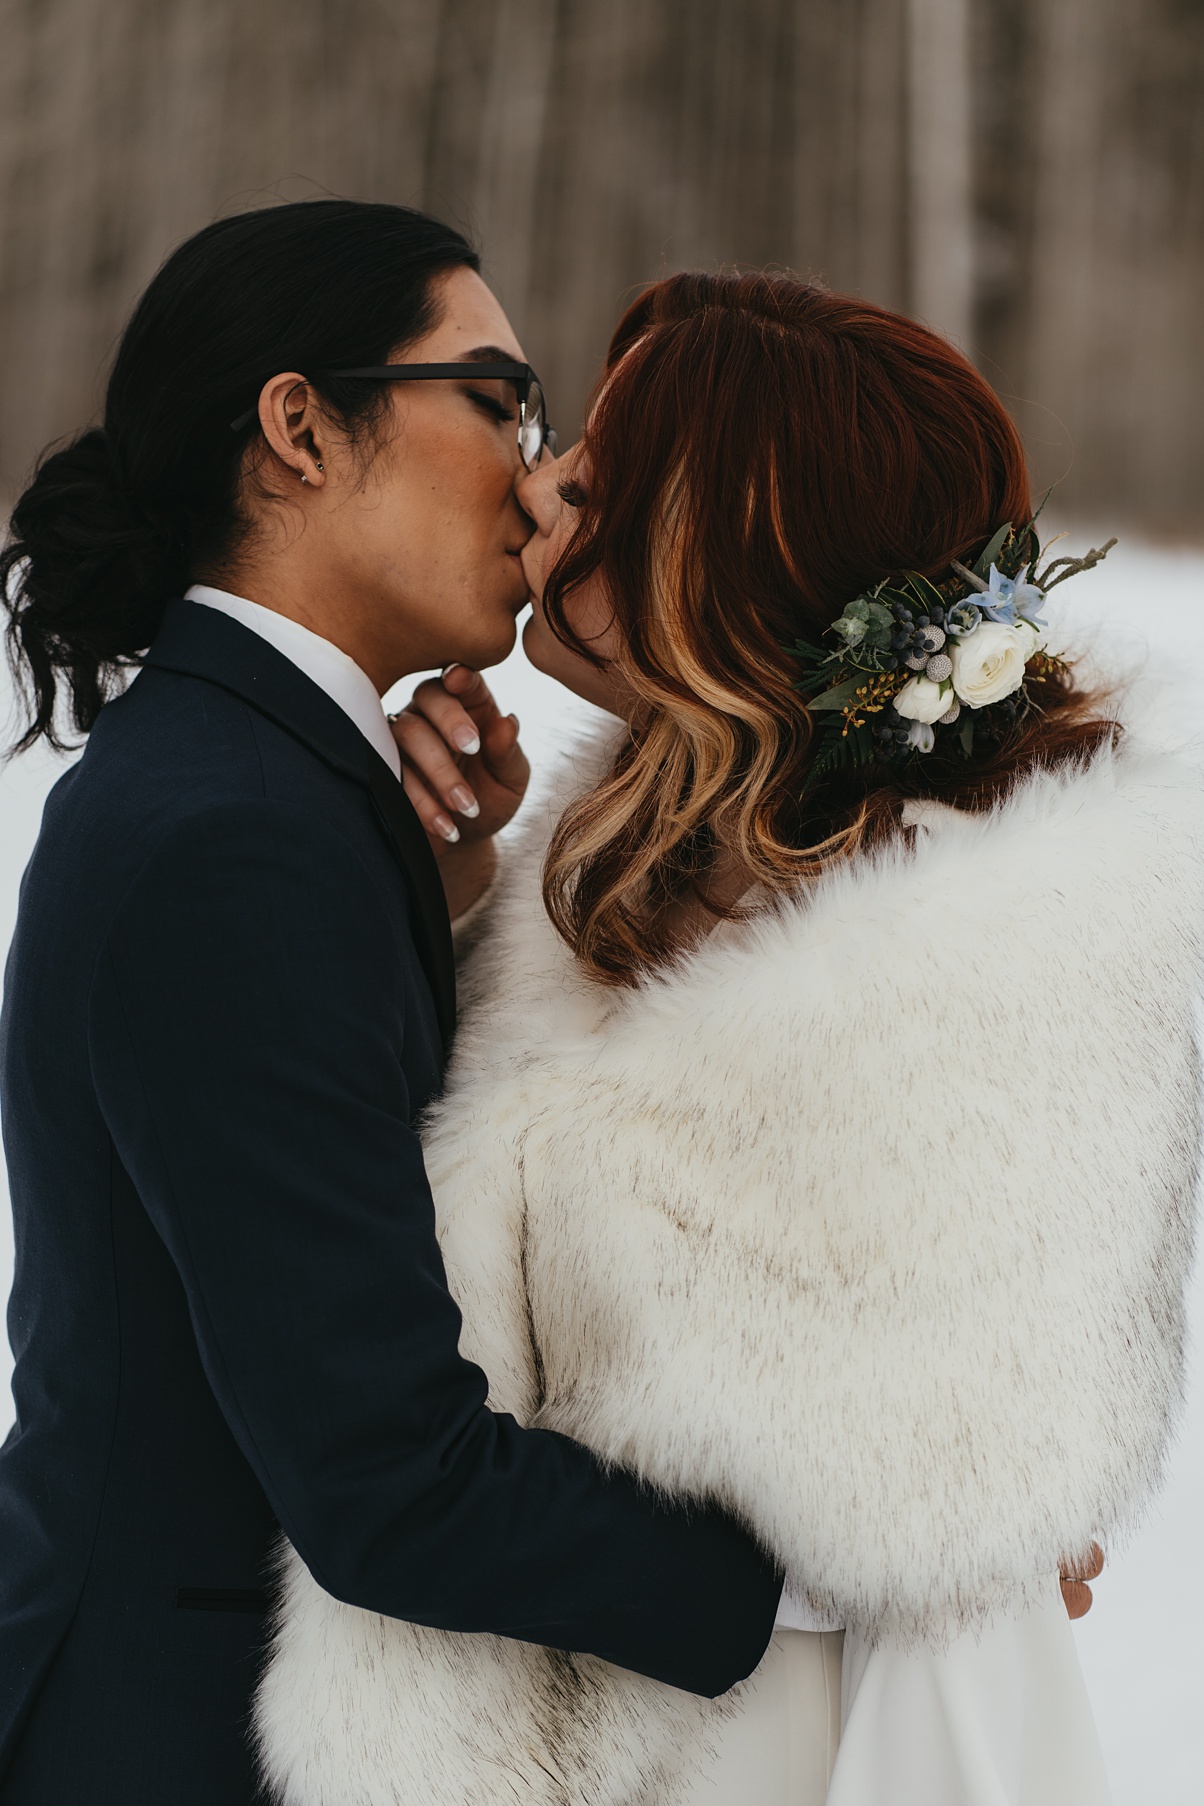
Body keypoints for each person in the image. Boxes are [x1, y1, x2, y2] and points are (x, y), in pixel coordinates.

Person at [259, 273, 1204, 1804]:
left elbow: (948, 1455)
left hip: (797, 1743)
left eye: (603, 471)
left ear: (716, 557)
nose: (548, 483)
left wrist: (983, 1486)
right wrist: (445, 893)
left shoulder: (943, 991)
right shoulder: (624, 843)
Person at [0, 205, 786, 1806]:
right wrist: (826, 1569)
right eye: (498, 400)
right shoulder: (235, 836)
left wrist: (450, 888)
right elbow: (389, 1480)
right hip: (172, 1741)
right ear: (301, 426)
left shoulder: (261, 783)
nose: (543, 472)